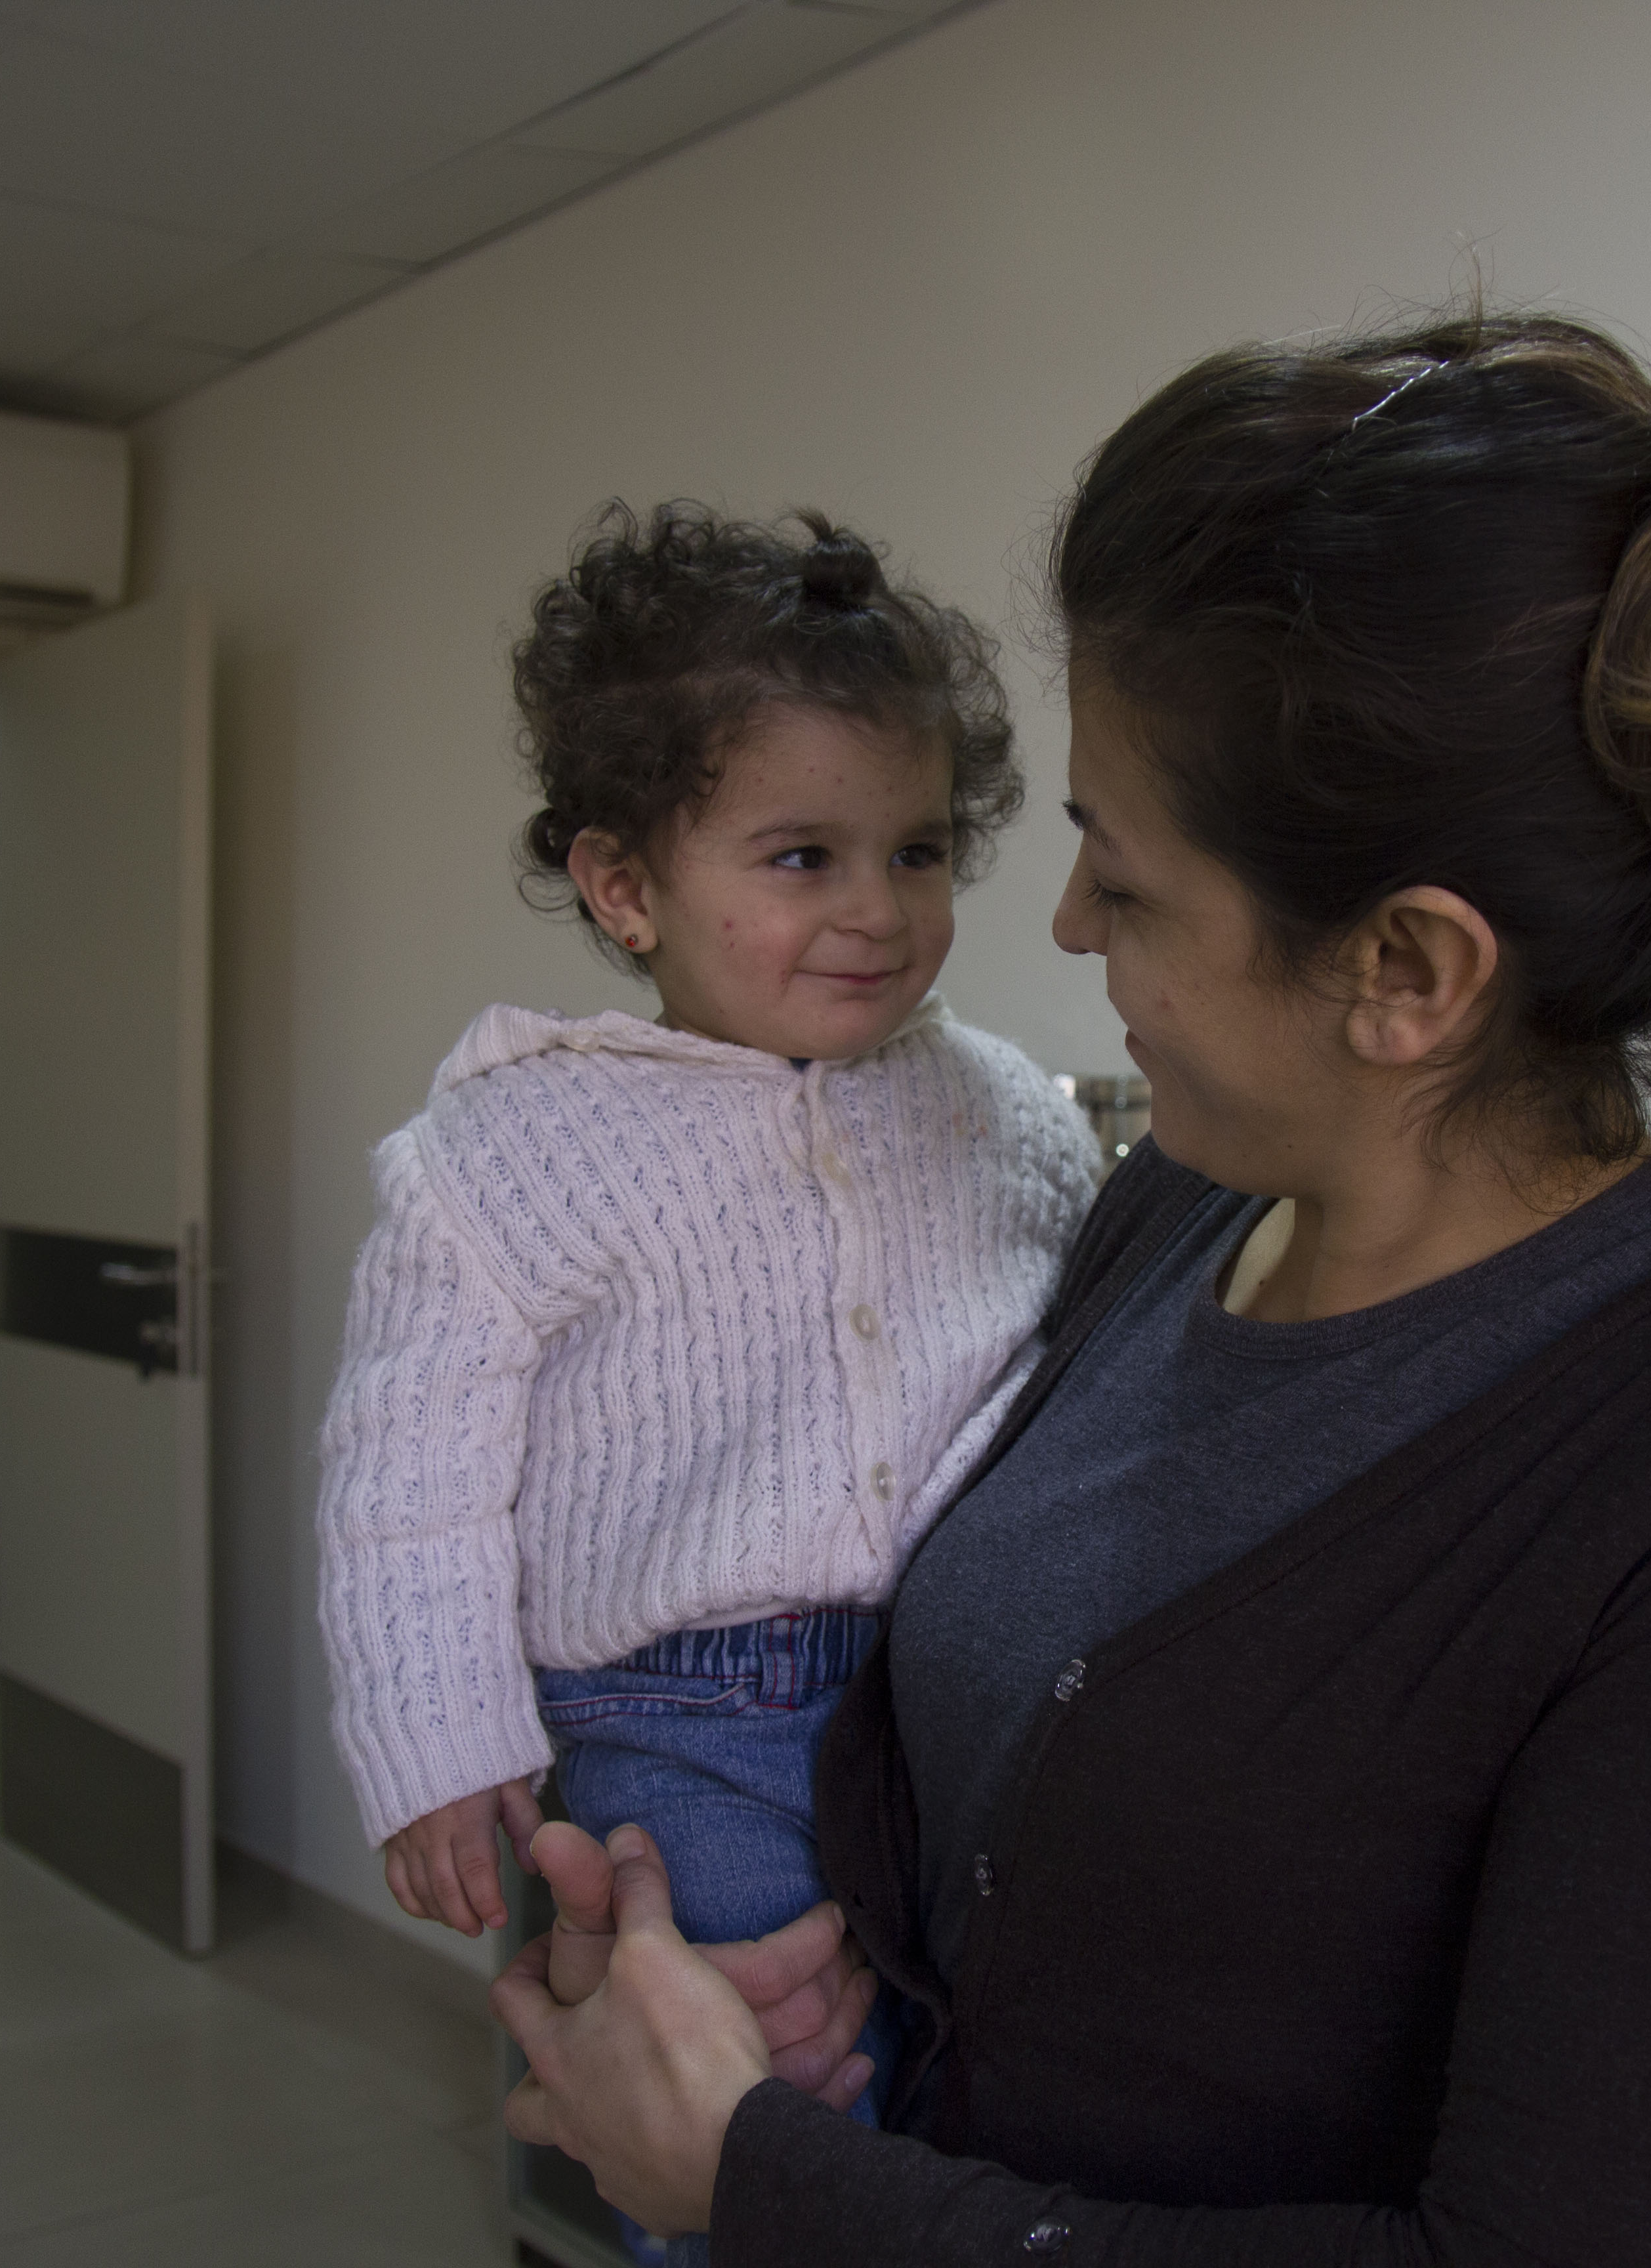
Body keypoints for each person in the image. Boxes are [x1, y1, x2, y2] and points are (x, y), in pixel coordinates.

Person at [490, 312, 1651, 2266]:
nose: (1064, 925)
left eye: (1123, 879)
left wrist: (760, 2175)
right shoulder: (1172, 1211)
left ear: (1406, 973)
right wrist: (734, 1949)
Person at [310, 504, 1099, 2249]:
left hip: (957, 1708)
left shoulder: (1003, 1113)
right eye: (801, 857)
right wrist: (436, 1747)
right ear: (624, 886)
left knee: (960, 2089)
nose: (879, 913)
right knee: (748, 2117)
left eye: (916, 853)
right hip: (688, 1726)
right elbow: (407, 1485)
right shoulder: (511, 1153)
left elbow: (1080, 1357)